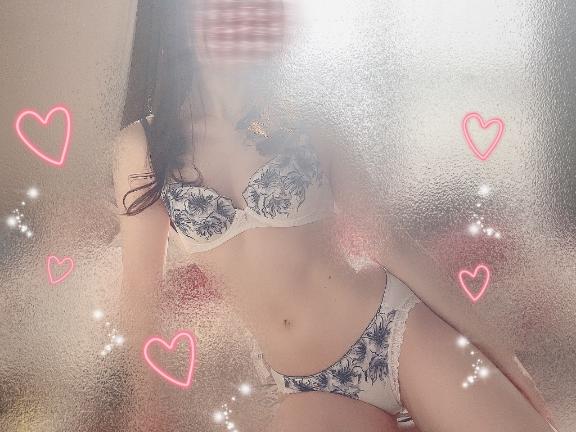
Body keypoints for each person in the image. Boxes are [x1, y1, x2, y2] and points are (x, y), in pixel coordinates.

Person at [112, 1, 559, 430]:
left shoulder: (303, 120)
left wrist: (499, 351)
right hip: (308, 388)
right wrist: (147, 405)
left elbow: (388, 242)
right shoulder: (145, 147)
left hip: (396, 331)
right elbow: (141, 290)